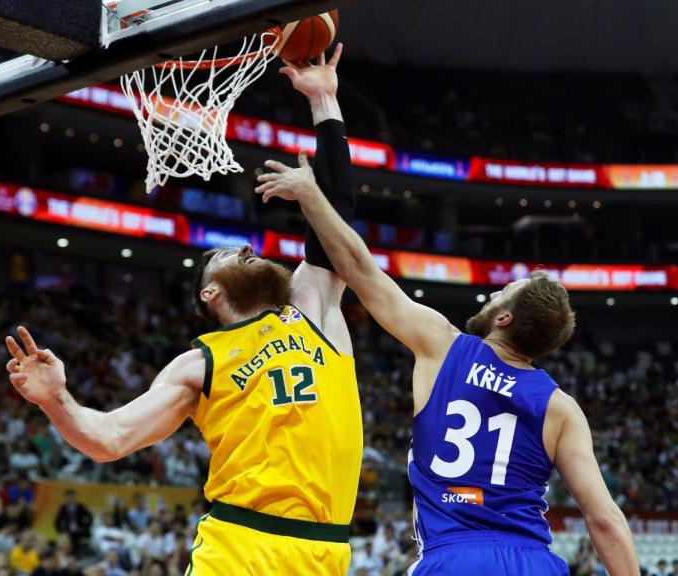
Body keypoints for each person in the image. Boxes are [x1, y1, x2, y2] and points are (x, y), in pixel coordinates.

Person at [4, 43, 361, 576]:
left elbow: (337, 215)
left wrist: (324, 102)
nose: (244, 249)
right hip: (239, 545)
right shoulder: (199, 363)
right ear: (210, 294)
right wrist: (57, 401)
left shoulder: (312, 305)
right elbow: (111, 439)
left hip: (327, 550)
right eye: (224, 256)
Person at [256, 130, 638, 576]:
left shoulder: (444, 346)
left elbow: (357, 268)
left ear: (504, 319)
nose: (493, 293)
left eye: (502, 293)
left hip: (452, 556)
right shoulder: (560, 407)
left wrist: (310, 194)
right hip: (532, 561)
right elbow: (605, 519)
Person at [54, 489, 92, 554]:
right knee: (66, 539)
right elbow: (57, 521)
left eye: (71, 497)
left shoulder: (80, 507)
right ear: (65, 498)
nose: (69, 499)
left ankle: (78, 554)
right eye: (68, 497)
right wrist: (60, 531)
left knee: (78, 540)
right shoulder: (62, 508)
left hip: (79, 530)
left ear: (74, 497)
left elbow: (89, 517)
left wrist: (85, 527)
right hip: (67, 531)